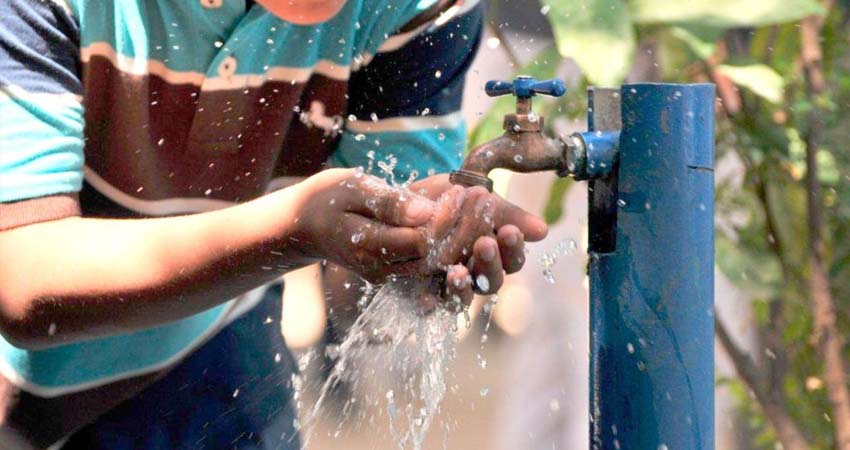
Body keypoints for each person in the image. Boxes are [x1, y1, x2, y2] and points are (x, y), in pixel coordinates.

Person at [0, 0, 547, 448]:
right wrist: (288, 232)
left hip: (211, 336)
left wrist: (427, 239)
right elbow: (22, 274)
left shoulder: (415, 7)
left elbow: (391, 213)